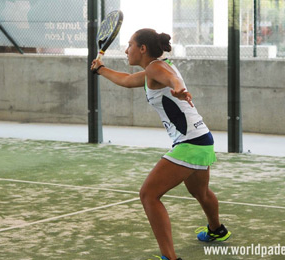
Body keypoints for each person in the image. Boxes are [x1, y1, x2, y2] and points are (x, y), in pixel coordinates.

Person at [91, 28, 231, 260]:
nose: (126, 50)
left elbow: (171, 78)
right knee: (200, 191)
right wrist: (101, 69)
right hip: (201, 139)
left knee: (148, 195)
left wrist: (178, 88)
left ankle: (170, 258)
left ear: (142, 48)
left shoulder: (156, 67)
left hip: (190, 142)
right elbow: (126, 80)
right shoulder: (150, 72)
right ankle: (217, 230)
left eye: (130, 45)